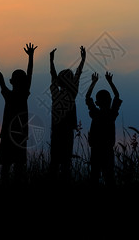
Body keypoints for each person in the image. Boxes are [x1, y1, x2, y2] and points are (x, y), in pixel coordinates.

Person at [0, 43, 37, 183]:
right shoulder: (22, 94)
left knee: (9, 168)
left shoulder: (11, 94)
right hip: (16, 135)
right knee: (15, 168)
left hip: (10, 135)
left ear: (12, 82)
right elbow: (29, 74)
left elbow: (0, 76)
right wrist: (31, 57)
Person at [49, 46, 86, 182]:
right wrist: (82, 59)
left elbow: (53, 76)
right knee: (64, 162)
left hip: (58, 131)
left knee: (56, 162)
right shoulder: (71, 94)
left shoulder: (56, 94)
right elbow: (77, 74)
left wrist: (51, 61)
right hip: (64, 132)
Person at [85, 71, 122, 186]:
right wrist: (110, 82)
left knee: (94, 176)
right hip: (107, 150)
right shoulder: (111, 114)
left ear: (97, 102)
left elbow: (87, 97)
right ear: (109, 101)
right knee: (109, 176)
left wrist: (93, 83)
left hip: (96, 149)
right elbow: (117, 96)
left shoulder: (96, 114)